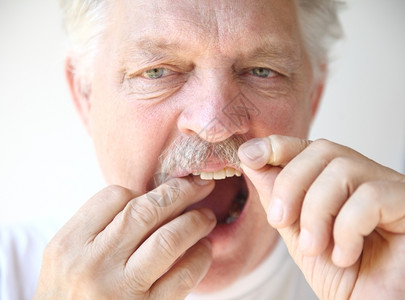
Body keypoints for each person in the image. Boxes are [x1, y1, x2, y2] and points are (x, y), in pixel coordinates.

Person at [5, 0, 404, 299]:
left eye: (262, 71)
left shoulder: (382, 270)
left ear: (312, 97)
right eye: (157, 71)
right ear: (86, 96)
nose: (215, 124)